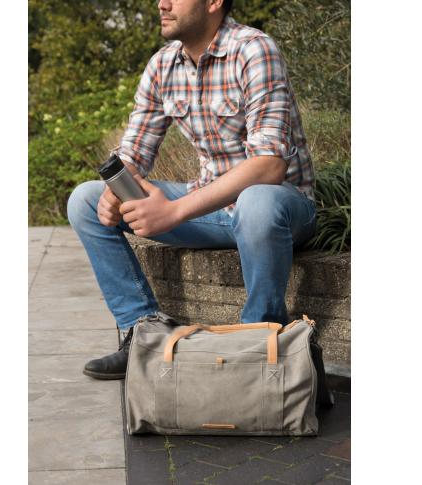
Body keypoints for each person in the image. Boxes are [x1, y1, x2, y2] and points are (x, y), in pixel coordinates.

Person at [67, 0, 316, 380]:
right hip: (214, 212)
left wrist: (174, 211)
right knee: (85, 200)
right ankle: (143, 335)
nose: (162, 3)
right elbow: (134, 151)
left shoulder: (253, 49)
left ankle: (258, 340)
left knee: (257, 201)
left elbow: (269, 165)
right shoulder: (163, 65)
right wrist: (115, 190)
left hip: (279, 210)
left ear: (213, 3)